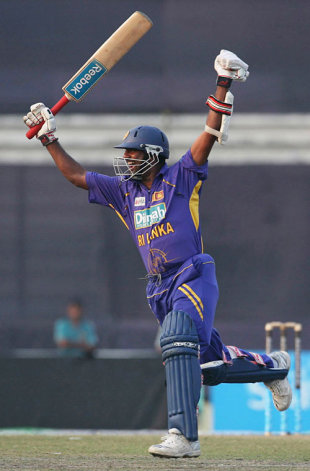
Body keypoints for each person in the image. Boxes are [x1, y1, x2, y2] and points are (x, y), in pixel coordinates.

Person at [24, 50, 291, 458]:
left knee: (176, 338)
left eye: (132, 153)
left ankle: (184, 437)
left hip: (192, 275)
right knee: (206, 366)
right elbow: (78, 175)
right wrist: (49, 138)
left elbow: (208, 136)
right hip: (159, 289)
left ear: (152, 155)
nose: (126, 158)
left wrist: (223, 82)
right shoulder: (123, 192)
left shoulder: (181, 177)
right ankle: (274, 367)